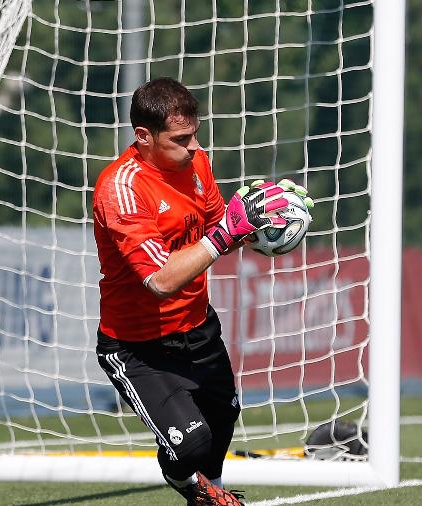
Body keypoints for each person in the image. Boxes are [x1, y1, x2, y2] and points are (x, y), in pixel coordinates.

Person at [92, 76, 302, 504]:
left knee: (224, 417)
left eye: (195, 135)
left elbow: (217, 230)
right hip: (138, 348)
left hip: (198, 329)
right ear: (143, 137)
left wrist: (265, 226)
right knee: (189, 446)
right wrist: (226, 234)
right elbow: (161, 280)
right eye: (181, 139)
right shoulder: (121, 189)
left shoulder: (197, 164)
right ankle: (190, 486)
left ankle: (211, 493)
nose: (193, 147)